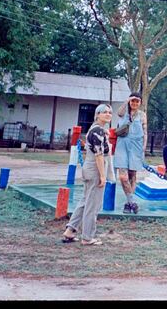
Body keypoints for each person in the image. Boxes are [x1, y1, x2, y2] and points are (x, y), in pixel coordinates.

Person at [62, 104, 111, 245]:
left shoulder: (97, 130)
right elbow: (99, 155)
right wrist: (102, 175)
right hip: (95, 168)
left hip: (89, 167)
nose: (108, 114)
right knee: (93, 204)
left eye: (109, 112)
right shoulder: (97, 131)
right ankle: (88, 236)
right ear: (97, 115)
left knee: (85, 200)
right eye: (104, 112)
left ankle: (70, 230)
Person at [114, 91, 147, 214]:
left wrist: (143, 146)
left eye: (137, 101)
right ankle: (132, 201)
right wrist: (127, 101)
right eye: (133, 100)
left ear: (140, 103)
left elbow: (145, 131)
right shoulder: (124, 113)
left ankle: (128, 204)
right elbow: (119, 113)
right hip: (122, 144)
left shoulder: (142, 115)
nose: (134, 103)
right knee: (123, 177)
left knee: (132, 175)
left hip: (136, 146)